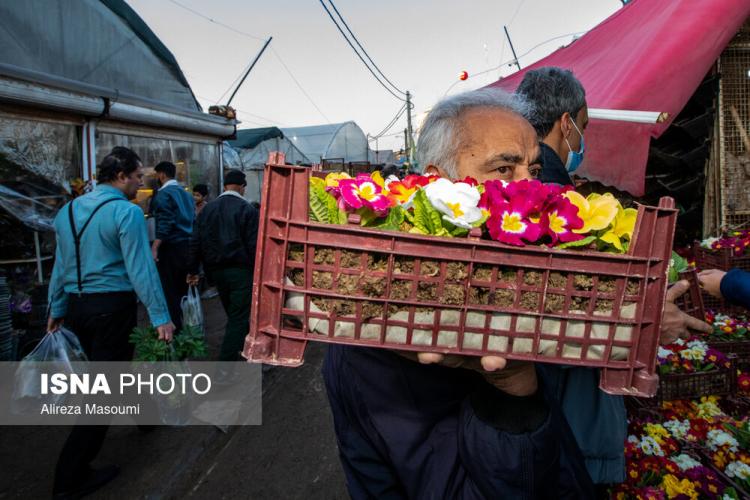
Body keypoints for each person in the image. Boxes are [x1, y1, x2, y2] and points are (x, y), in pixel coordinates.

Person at [323, 88, 595, 499]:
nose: (531, 189)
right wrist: (514, 387)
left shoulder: (503, 286)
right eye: (504, 169)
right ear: (437, 182)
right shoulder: (385, 330)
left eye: (534, 172)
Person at [516, 66, 712, 490]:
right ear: (566, 123)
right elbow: (569, 303)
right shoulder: (553, 196)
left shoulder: (518, 192)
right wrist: (649, 320)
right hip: (561, 404)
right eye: (582, 127)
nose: (581, 142)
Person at [47, 146, 174, 499]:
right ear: (120, 177)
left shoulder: (67, 212)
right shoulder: (125, 212)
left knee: (109, 371)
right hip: (112, 308)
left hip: (77, 309)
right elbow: (141, 269)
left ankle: (145, 418)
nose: (139, 183)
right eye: (136, 177)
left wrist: (56, 308)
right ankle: (69, 477)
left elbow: (61, 266)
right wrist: (160, 316)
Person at [188, 170, 259, 361]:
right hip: (240, 273)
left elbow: (195, 241)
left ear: (225, 186)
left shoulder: (207, 210)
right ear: (242, 187)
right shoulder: (247, 210)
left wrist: (193, 270)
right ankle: (225, 366)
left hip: (216, 273)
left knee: (234, 313)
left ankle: (244, 351)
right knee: (238, 317)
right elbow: (254, 246)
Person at [515, 66, 587, 187]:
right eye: (583, 126)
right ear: (567, 124)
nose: (582, 137)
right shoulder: (556, 194)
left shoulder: (514, 175)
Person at [151, 161, 194, 331]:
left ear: (161, 174)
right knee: (183, 291)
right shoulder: (187, 194)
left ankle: (175, 331)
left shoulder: (163, 194)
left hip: (170, 249)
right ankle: (186, 330)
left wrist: (155, 246)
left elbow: (165, 223)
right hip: (186, 247)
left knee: (170, 294)